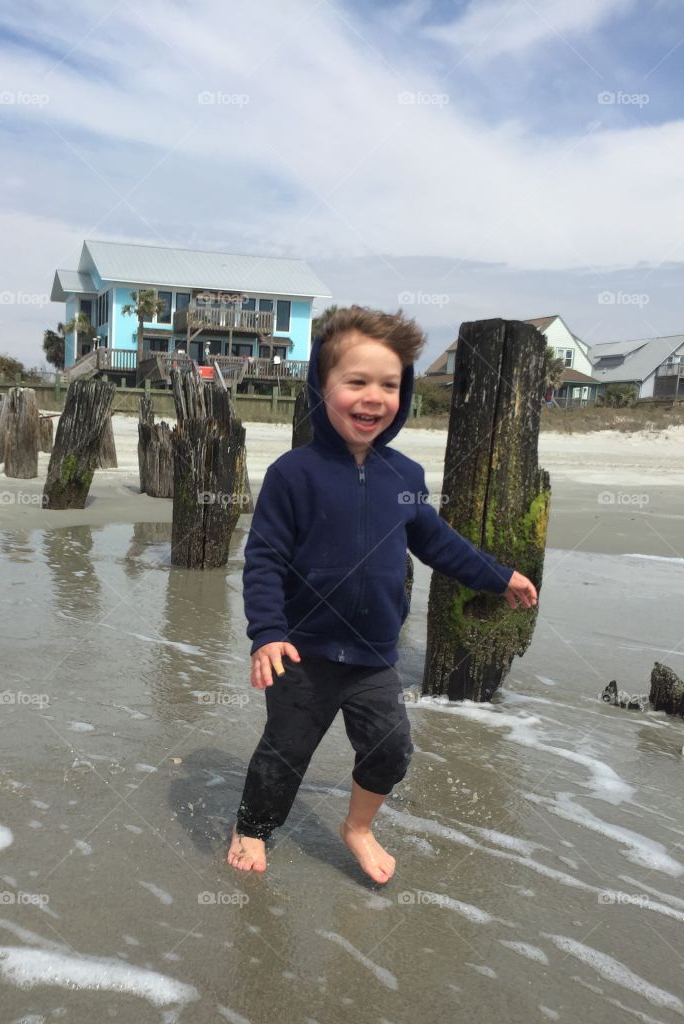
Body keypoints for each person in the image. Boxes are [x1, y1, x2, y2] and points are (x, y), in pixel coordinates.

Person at [227, 307, 537, 883]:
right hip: (302, 652)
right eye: (356, 381)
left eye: (389, 385)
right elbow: (264, 559)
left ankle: (359, 827)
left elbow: (437, 542)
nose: (374, 397)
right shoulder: (293, 474)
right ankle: (253, 827)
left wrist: (498, 576)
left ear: (405, 392)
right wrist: (266, 634)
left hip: (372, 655)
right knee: (285, 751)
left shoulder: (404, 477)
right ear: (322, 387)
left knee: (390, 750)